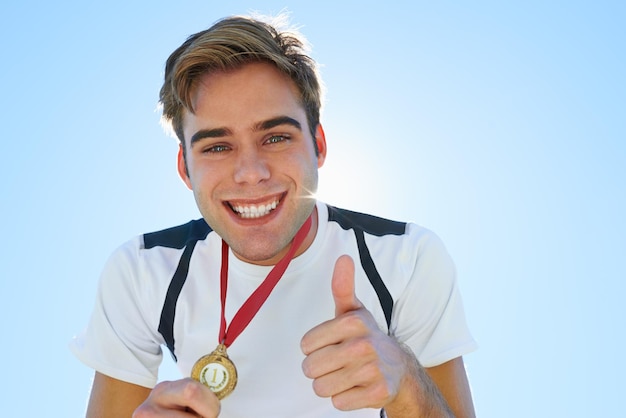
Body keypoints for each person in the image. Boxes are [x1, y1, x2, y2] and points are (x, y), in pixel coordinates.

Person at [71, 14, 477, 418]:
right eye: (216, 147)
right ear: (185, 168)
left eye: (276, 137)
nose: (251, 173)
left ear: (318, 145)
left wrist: (406, 378)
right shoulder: (142, 271)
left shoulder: (406, 257)